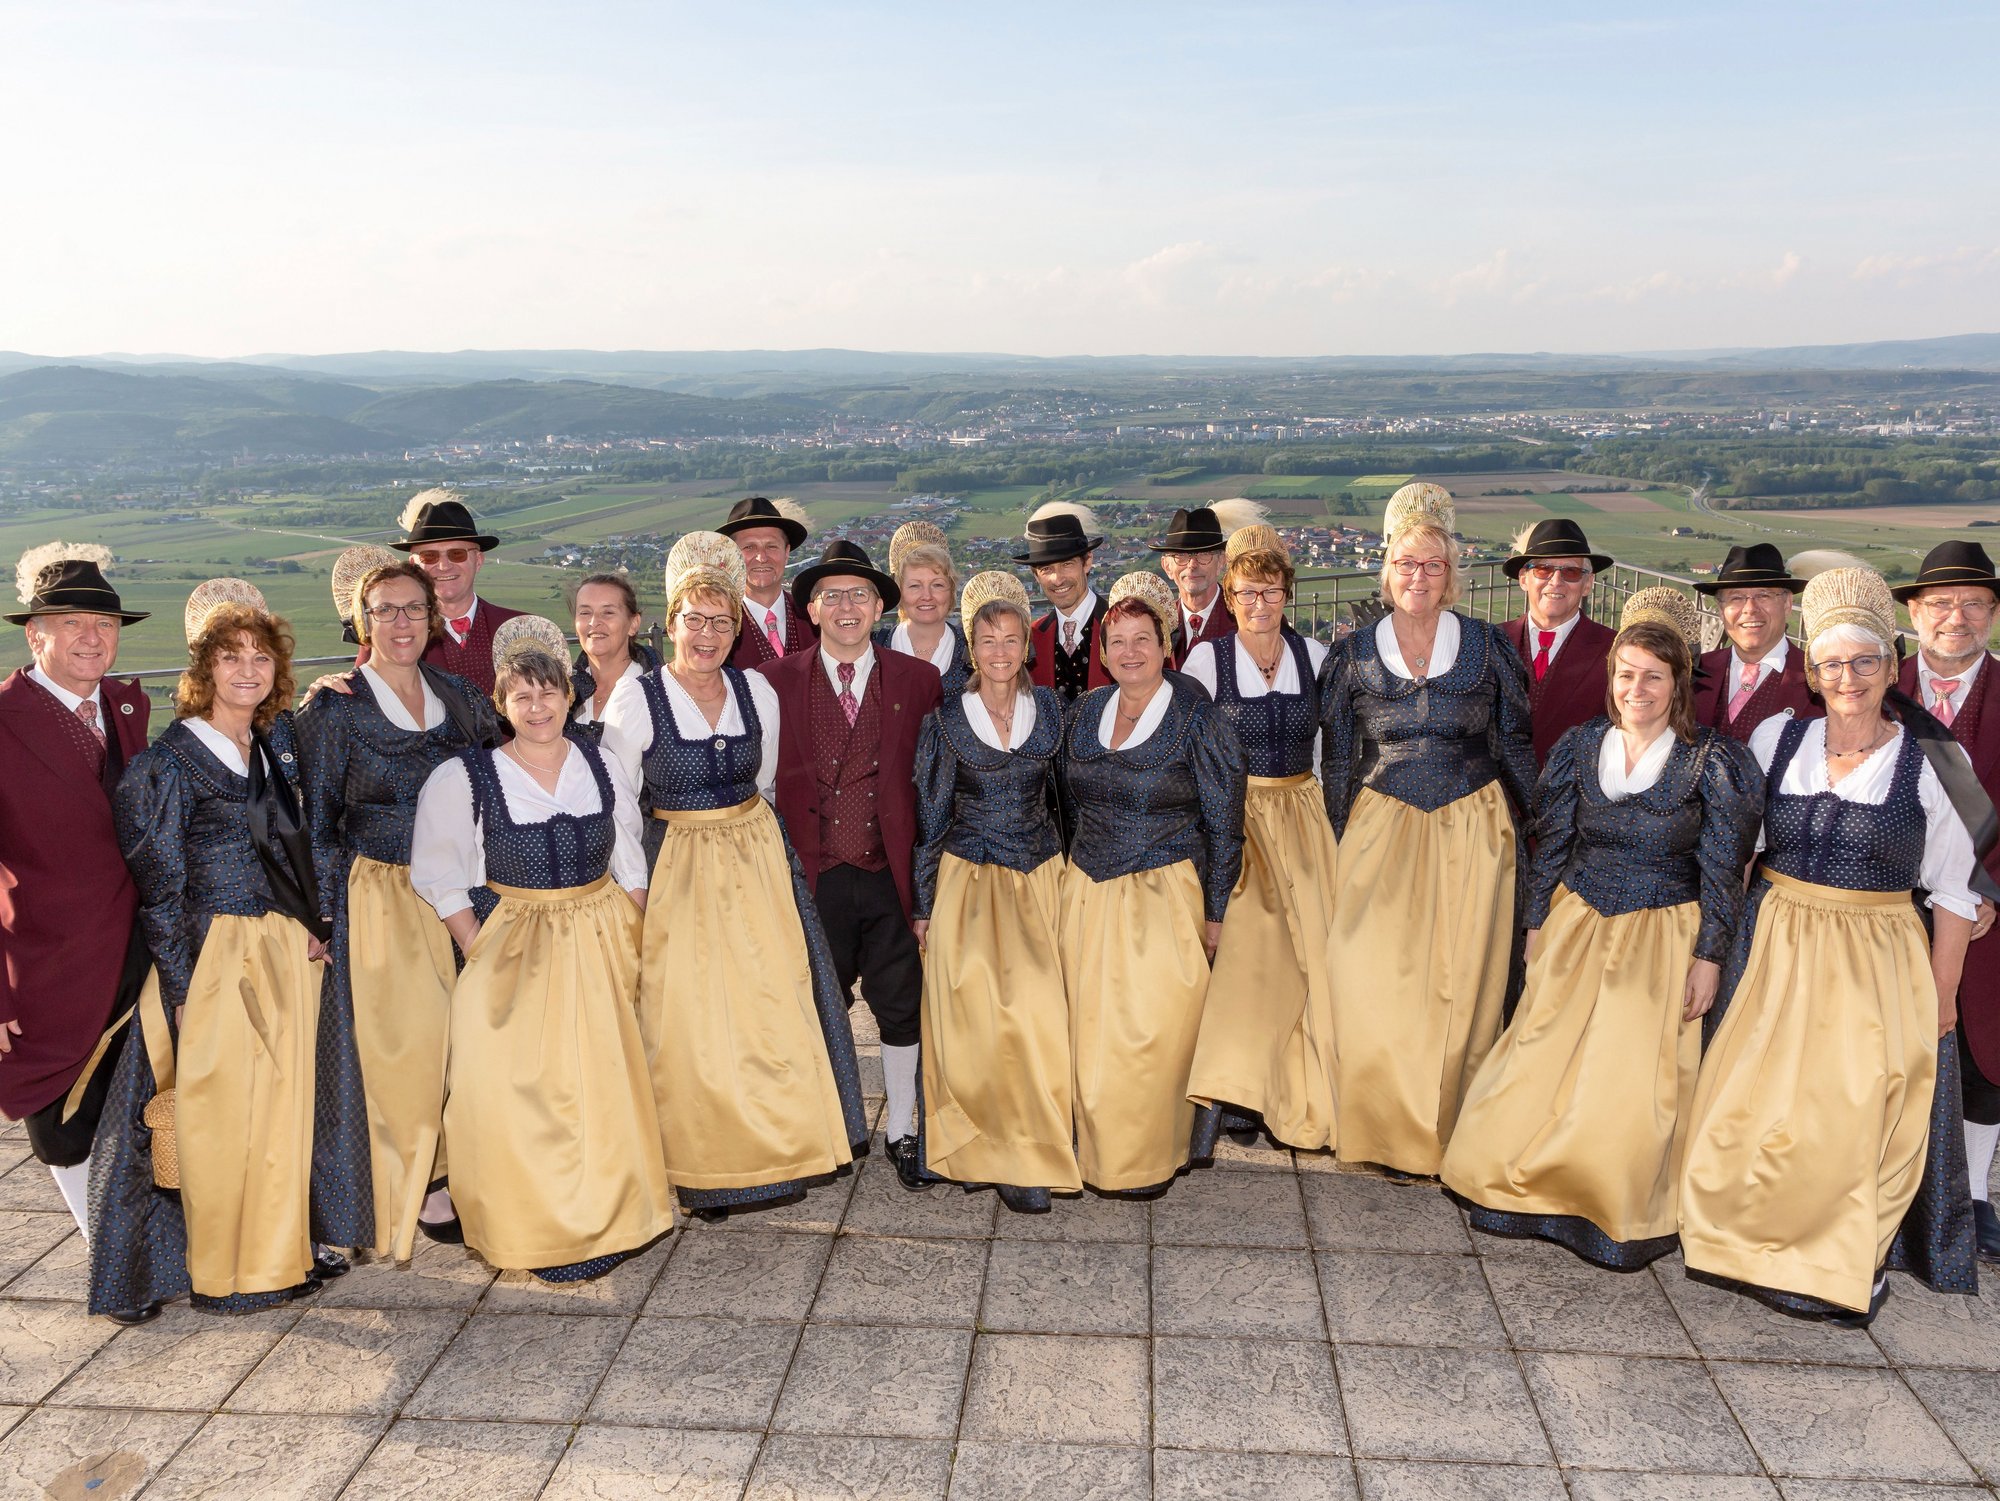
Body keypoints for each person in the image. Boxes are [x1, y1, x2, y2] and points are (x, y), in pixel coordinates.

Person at [1680, 565, 1981, 1326]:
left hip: (1875, 956)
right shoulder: (1778, 737)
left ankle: (1839, 1262)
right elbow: (1738, 851)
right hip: (1774, 944)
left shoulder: (1936, 759)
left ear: (1890, 665)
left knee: (1845, 1116)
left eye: (1866, 661)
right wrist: (1716, 948)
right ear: (1812, 672)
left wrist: (1943, 995)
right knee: (1749, 1104)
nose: (1849, 677)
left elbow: (1953, 888)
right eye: (1833, 663)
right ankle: (1741, 1242)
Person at [1443, 588, 1763, 1268]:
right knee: (1538, 1056)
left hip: (1662, 931)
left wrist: (1709, 956)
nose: (1636, 689)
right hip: (1579, 921)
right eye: (1626, 674)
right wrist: (1536, 924)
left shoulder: (1713, 762)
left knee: (1627, 1079)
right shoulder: (1581, 745)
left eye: (1653, 676)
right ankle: (1523, 1186)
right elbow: (1554, 843)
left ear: (1678, 684)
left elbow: (1721, 871)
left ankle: (1610, 1206)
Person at [599, 535, 869, 1221]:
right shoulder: (637, 699)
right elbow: (616, 802)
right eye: (695, 619)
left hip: (754, 861)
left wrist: (772, 858)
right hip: (677, 867)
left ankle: (780, 1152)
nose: (708, 634)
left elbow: (767, 780)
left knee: (771, 1008)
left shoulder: (755, 691)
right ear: (671, 623)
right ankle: (710, 1171)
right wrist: (636, 886)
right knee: (692, 1021)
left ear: (737, 629)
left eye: (722, 621)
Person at [93, 589, 338, 1321]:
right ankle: (228, 1272)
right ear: (203, 670)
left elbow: (296, 847)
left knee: (280, 1113)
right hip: (215, 954)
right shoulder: (167, 766)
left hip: (281, 946)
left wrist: (313, 920)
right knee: (225, 1123)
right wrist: (181, 989)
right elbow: (162, 891)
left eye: (261, 657)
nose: (248, 670)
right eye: (231, 657)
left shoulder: (269, 744)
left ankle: (276, 1260)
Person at [410, 628, 672, 1279]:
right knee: (519, 1089)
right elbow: (440, 874)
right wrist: (478, 944)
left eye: (548, 692)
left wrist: (634, 935)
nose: (537, 707)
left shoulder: (599, 763)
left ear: (567, 697)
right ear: (502, 704)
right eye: (521, 696)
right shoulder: (466, 777)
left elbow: (628, 858)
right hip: (514, 943)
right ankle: (538, 1227)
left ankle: (607, 1220)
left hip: (599, 936)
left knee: (601, 1086)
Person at [1317, 483, 1538, 1179]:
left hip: (1474, 827)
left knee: (1460, 988)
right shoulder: (1352, 654)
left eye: (1433, 565)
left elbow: (1514, 743)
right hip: (1380, 828)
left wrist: (1543, 830)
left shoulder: (1488, 648)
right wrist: (1336, 841)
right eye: (1407, 564)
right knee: (1369, 977)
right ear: (1387, 571)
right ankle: (1383, 1128)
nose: (1419, 577)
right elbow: (1338, 759)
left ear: (1451, 574)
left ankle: (1450, 1129)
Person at [296, 560, 501, 1260]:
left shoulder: (460, 695)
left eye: (413, 607)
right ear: (363, 621)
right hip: (383, 894)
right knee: (406, 1050)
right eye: (384, 609)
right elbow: (317, 820)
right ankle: (414, 1183)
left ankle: (453, 1167)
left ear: (432, 617)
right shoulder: (337, 708)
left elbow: (503, 773)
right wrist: (325, 916)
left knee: (461, 1042)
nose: (401, 622)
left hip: (461, 891)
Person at [755, 539, 944, 1187]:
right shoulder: (772, 681)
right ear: (810, 609)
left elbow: (932, 786)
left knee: (902, 1004)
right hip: (814, 879)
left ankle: (903, 1129)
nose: (845, 606)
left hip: (889, 873)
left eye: (858, 594)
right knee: (816, 1005)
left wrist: (926, 886)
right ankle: (824, 1127)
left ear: (878, 607)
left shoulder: (918, 680)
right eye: (831, 594)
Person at [1059, 572, 1247, 1197]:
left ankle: (1143, 1159)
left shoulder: (1200, 719)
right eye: (1117, 641)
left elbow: (1225, 823)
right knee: (1088, 1033)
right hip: (1086, 891)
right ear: (1103, 651)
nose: (1130, 651)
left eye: (1143, 638)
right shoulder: (1084, 711)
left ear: (1166, 645)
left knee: (1149, 1035)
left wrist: (1216, 912)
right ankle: (1094, 1151)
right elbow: (1067, 805)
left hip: (1163, 892)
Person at [0, 545, 153, 1252]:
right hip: (47, 959)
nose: (92, 637)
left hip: (136, 949)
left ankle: (133, 1249)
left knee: (135, 1106)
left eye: (105, 623)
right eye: (72, 623)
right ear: (35, 636)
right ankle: (109, 1255)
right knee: (62, 1118)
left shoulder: (126, 705)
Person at [911, 571, 1076, 1211]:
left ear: (1026, 647)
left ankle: (1028, 1153)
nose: (1000, 651)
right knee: (974, 1021)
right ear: (972, 648)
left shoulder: (1053, 711)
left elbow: (1069, 801)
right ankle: (979, 1149)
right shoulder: (946, 720)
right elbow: (931, 817)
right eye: (987, 640)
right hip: (969, 879)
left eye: (1011, 638)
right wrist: (923, 904)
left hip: (1039, 877)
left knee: (1036, 1016)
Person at [1183, 527, 1339, 1152]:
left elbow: (1328, 748)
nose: (1259, 604)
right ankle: (1241, 1094)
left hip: (1302, 813)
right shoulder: (1206, 661)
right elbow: (1192, 752)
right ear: (1230, 596)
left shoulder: (1315, 656)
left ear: (1287, 594)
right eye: (1246, 592)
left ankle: (1293, 1088)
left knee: (1308, 957)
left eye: (1270, 591)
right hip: (1237, 818)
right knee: (1248, 956)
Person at [1894, 540, 2000, 1261]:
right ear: (1914, 611)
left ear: (1992, 614)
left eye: (1973, 604)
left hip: (1988, 909)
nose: (1955, 617)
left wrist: (1996, 895)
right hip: (1889, 901)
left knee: (1982, 1049)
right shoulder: (1875, 681)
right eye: (1940, 603)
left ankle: (1976, 1192)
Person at [363, 491, 524, 696]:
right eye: (429, 556)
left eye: (457, 554)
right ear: (414, 565)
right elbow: (361, 693)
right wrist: (333, 685)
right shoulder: (389, 635)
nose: (444, 566)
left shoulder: (521, 628)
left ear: (478, 561)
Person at [1499, 519, 1618, 767]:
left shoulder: (1614, 650)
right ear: (1524, 578)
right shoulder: (1492, 640)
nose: (1556, 581)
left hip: (1574, 788)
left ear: (1588, 584)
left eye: (1571, 572)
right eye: (1543, 569)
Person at [1693, 543, 1818, 741]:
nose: (1750, 609)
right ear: (1721, 610)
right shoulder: (1694, 672)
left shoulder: (1818, 680)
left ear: (1787, 604)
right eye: (1736, 598)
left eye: (1763, 595)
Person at [1019, 502, 1111, 704]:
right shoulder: (1030, 638)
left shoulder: (1119, 626)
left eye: (1067, 564)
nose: (1057, 579)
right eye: (1046, 569)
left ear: (1087, 562)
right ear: (1036, 576)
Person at [1150, 503, 1259, 668]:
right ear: (1167, 567)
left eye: (1203, 555)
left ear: (1221, 562)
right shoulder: (1157, 626)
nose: (1192, 565)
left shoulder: (1249, 619)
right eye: (1181, 556)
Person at [720, 496, 817, 669]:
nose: (762, 557)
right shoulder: (719, 625)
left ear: (786, 552)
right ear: (731, 556)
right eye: (749, 547)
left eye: (771, 546)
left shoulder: (814, 619)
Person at [874, 520, 968, 694]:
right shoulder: (873, 650)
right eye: (915, 586)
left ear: (951, 590)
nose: (927, 596)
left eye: (937, 585)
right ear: (900, 591)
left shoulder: (973, 649)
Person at [568, 571, 659, 743]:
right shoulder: (563, 693)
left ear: (633, 624)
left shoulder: (658, 694)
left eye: (608, 612)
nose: (594, 622)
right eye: (585, 613)